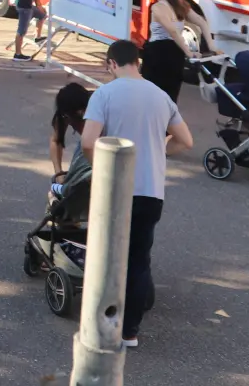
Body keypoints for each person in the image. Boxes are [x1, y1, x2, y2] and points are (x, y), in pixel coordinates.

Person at [81, 39, 193, 348]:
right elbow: (186, 141)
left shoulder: (104, 94)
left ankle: (102, 324)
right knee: (139, 259)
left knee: (108, 257)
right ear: (138, 63)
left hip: (116, 189)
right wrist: (159, 150)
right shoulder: (161, 97)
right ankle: (130, 331)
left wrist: (101, 168)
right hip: (151, 191)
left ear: (111, 64)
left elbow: (89, 142)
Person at [142, 0, 215, 101]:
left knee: (152, 94)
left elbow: (172, 31)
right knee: (171, 93)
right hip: (176, 54)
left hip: (157, 53)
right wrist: (212, 46)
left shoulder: (158, 7)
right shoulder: (181, 6)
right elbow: (202, 22)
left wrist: (189, 52)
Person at [49, 81, 94, 185]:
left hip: (103, 141)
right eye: (79, 117)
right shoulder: (64, 114)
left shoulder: (97, 103)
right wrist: (59, 173)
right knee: (74, 182)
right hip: (86, 143)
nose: (83, 116)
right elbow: (55, 141)